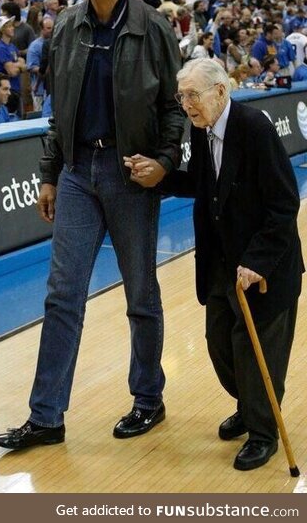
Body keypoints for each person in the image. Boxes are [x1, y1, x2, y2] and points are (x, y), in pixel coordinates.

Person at [0, 0, 184, 451]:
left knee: (141, 296)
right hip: (79, 170)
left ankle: (148, 399)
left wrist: (164, 162)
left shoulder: (154, 27)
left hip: (130, 172)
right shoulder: (68, 28)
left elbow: (174, 107)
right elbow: (59, 111)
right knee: (62, 296)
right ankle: (46, 417)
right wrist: (51, 172)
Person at [125, 59, 303, 471]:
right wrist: (161, 176)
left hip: (266, 267)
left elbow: (284, 203)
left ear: (220, 92)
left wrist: (258, 261)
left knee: (253, 351)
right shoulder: (203, 130)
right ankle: (249, 405)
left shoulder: (254, 128)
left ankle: (263, 433)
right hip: (223, 261)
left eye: (192, 95)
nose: (185, 103)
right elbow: (205, 186)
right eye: (181, 96)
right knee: (220, 343)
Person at [26, 16, 54, 111]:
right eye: (48, 28)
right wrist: (47, 68)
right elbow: (31, 67)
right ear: (42, 29)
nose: (51, 30)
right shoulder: (35, 46)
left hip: (52, 88)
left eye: (53, 28)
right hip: (40, 90)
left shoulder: (56, 42)